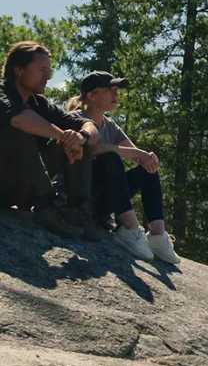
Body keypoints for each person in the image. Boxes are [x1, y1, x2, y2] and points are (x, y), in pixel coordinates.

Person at [67, 71, 180, 264]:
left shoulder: (109, 125)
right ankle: (130, 229)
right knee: (110, 157)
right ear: (92, 95)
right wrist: (125, 151)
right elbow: (93, 148)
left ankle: (157, 235)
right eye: (110, 90)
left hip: (104, 199)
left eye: (116, 90)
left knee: (147, 169)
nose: (116, 94)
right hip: (80, 198)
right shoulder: (74, 118)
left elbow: (134, 153)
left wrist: (147, 158)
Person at [0, 41, 101, 238]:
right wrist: (63, 135)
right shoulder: (2, 93)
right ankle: (46, 206)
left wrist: (81, 137)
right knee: (18, 130)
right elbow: (21, 119)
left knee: (81, 141)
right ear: (19, 70)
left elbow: (89, 125)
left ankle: (77, 210)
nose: (48, 76)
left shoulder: (39, 102)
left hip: (20, 189)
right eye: (42, 70)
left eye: (49, 70)